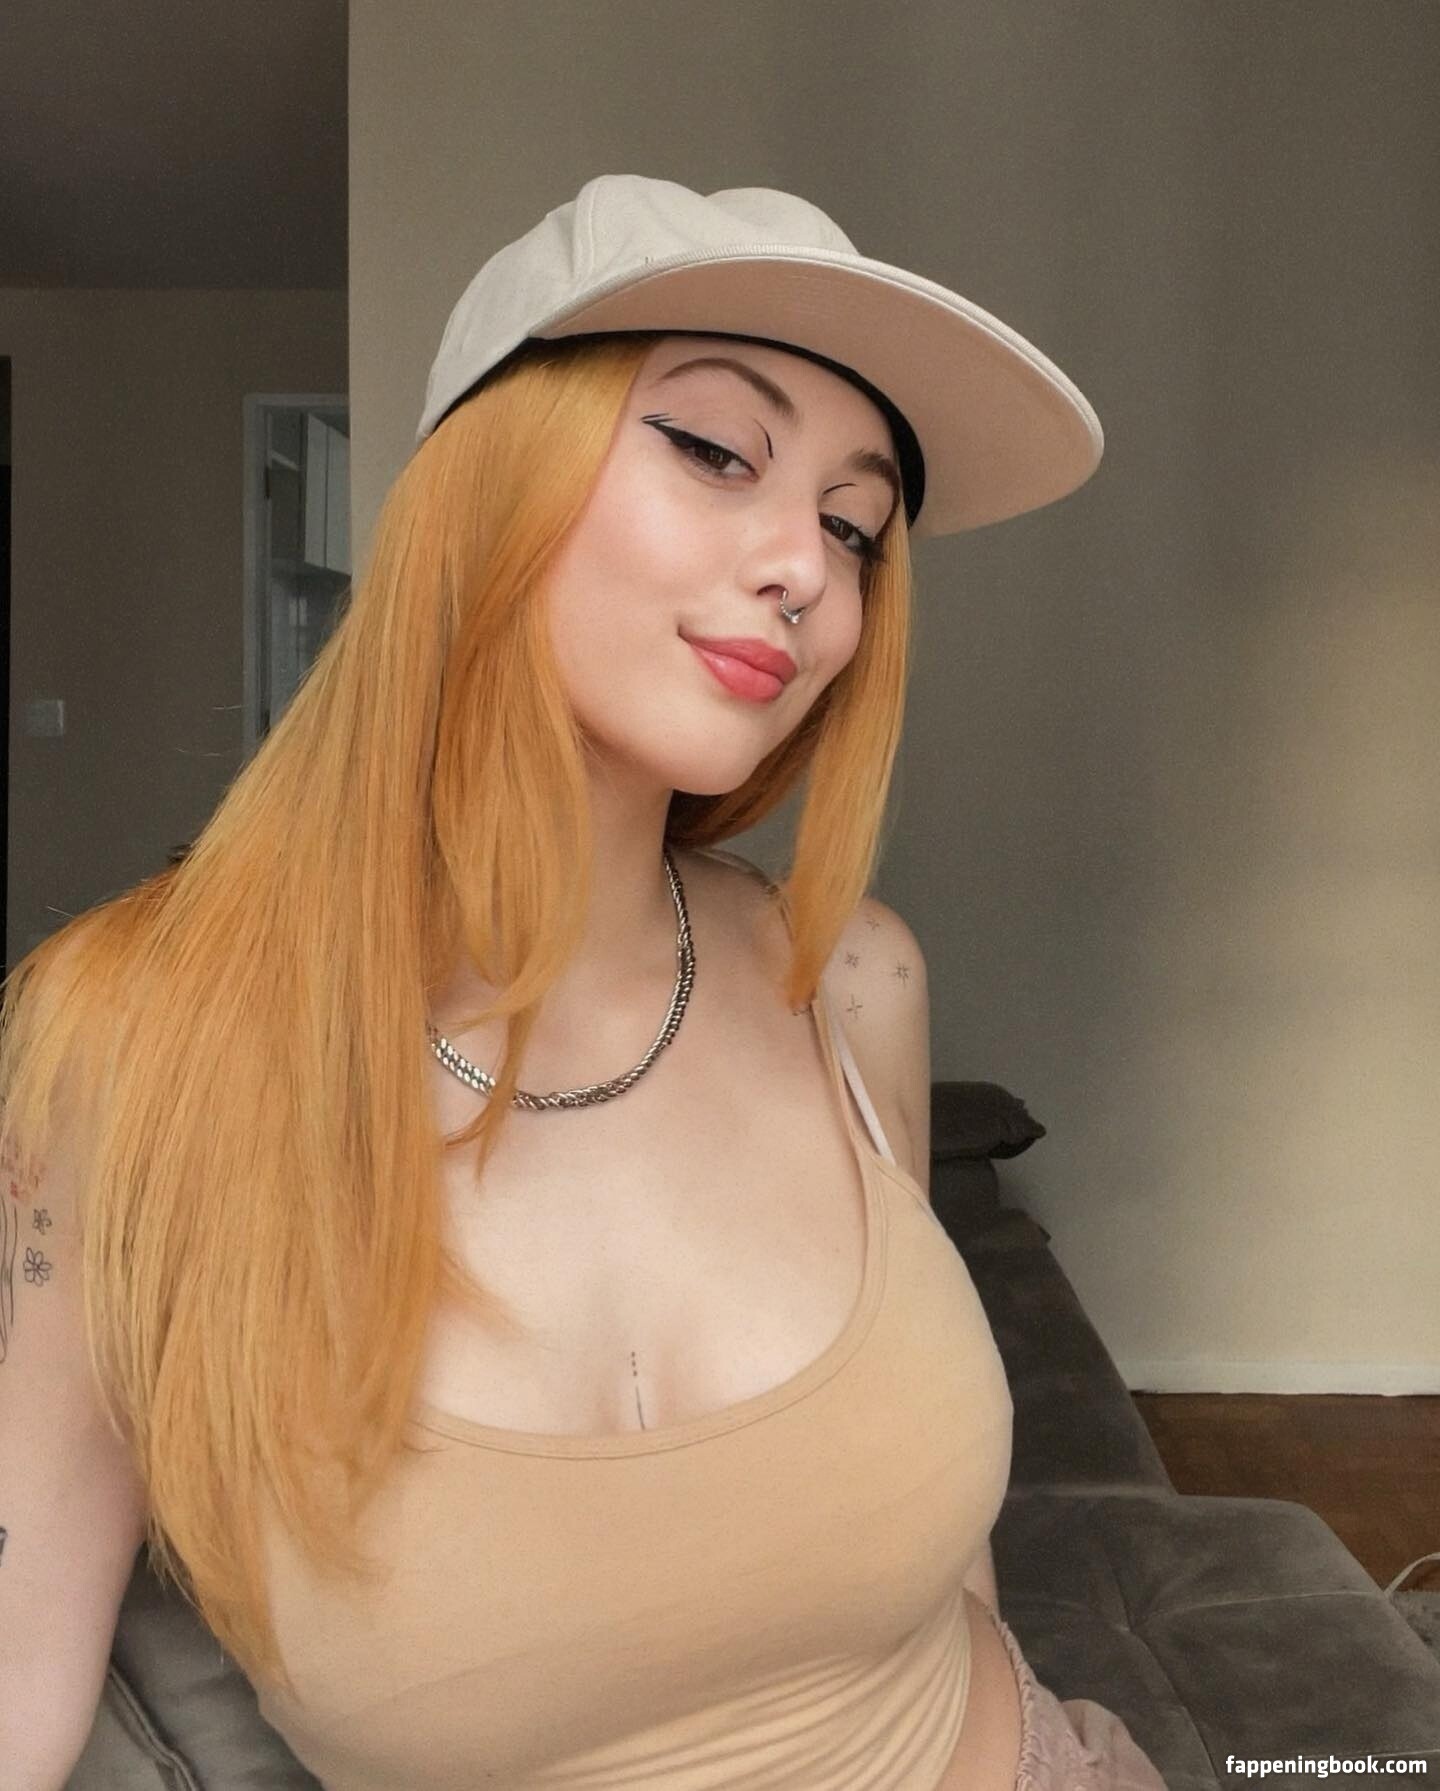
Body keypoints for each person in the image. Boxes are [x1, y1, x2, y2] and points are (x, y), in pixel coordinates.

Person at [0, 175, 1165, 1789]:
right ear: (492, 478)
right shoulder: (123, 1049)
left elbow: (947, 1583)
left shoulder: (851, 978)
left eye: (854, 523)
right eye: (718, 450)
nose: (808, 570)